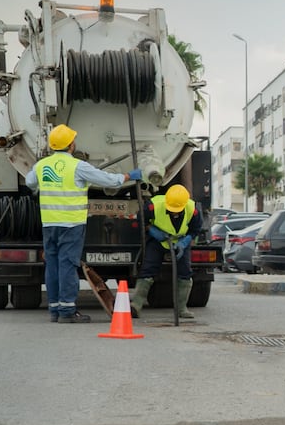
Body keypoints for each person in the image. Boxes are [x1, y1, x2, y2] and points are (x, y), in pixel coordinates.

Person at [25, 124, 142, 323]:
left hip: (49, 223)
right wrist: (129, 176)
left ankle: (55, 309)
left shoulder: (41, 165)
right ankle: (68, 311)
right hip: (71, 225)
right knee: (68, 265)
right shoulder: (78, 166)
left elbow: (30, 183)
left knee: (52, 265)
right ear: (71, 144)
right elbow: (109, 181)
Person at [128, 184, 201, 319]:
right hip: (158, 241)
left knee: (185, 272)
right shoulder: (153, 205)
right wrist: (152, 230)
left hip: (180, 243)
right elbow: (140, 219)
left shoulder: (193, 210)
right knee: (148, 269)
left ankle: (182, 309)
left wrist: (184, 243)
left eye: (177, 210)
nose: (174, 212)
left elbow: (195, 230)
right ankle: (136, 305)